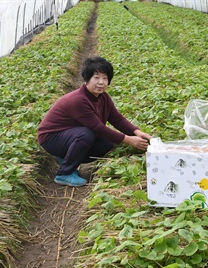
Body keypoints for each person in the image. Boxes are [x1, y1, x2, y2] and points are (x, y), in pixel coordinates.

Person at [37, 56, 152, 187]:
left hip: (68, 136)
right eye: (96, 78)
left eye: (105, 78)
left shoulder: (104, 97)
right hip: (51, 138)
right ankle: (64, 173)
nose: (101, 82)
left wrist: (137, 132)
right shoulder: (79, 100)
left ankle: (66, 157)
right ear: (87, 79)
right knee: (86, 134)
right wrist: (128, 140)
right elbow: (98, 128)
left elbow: (116, 118)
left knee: (106, 144)